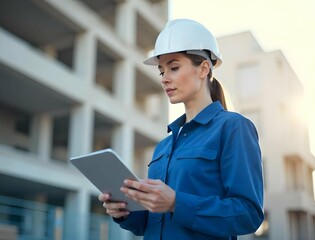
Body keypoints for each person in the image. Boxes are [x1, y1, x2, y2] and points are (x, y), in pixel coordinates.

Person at [98, 19, 264, 240]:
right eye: (161, 71)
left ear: (203, 68)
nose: (165, 79)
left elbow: (248, 215)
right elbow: (151, 223)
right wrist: (124, 212)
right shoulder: (164, 146)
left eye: (174, 68)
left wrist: (177, 203)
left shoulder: (233, 128)